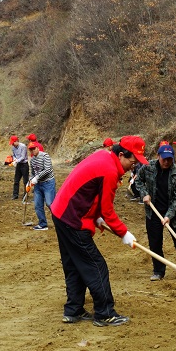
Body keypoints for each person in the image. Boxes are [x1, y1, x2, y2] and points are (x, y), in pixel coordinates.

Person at [50, 135, 148, 327]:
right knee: (96, 265)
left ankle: (73, 310)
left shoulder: (104, 158)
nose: (133, 166)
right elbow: (108, 210)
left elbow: (90, 192)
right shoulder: (110, 171)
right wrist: (124, 233)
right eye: (132, 161)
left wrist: (96, 217)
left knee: (74, 264)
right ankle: (105, 313)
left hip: (61, 212)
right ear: (121, 155)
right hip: (72, 219)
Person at [135, 144, 176, 281]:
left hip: (174, 214)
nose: (167, 162)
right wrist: (144, 194)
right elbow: (138, 181)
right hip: (153, 212)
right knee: (155, 243)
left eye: (169, 159)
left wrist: (168, 216)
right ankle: (158, 271)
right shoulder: (148, 167)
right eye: (164, 159)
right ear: (158, 156)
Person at [28, 142, 56, 230]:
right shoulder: (32, 160)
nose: (33, 151)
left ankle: (60, 221)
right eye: (31, 149)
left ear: (38, 148)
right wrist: (30, 181)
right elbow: (32, 172)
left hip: (48, 183)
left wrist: (36, 177)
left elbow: (48, 169)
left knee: (50, 203)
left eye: (34, 148)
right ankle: (43, 224)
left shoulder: (45, 156)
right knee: (37, 204)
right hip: (38, 185)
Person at [9, 135, 29, 200]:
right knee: (16, 180)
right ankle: (15, 194)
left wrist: (16, 161)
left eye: (13, 143)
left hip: (24, 165)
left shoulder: (23, 146)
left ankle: (25, 195)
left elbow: (23, 157)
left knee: (25, 181)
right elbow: (14, 155)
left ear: (17, 141)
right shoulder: (13, 148)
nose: (12, 144)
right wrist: (14, 160)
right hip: (18, 165)